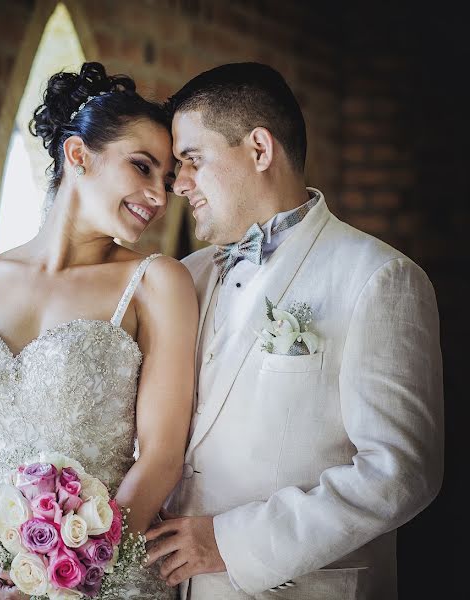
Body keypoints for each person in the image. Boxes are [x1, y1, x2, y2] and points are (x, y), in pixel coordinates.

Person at [142, 62, 444, 599]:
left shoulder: (377, 278)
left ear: (259, 150)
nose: (177, 183)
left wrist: (230, 543)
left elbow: (399, 471)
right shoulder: (181, 278)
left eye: (192, 160)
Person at [0, 62, 198, 599]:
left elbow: (160, 456)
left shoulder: (156, 282)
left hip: (104, 580)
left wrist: (77, 566)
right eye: (142, 167)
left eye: (168, 178)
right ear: (78, 155)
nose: (159, 195)